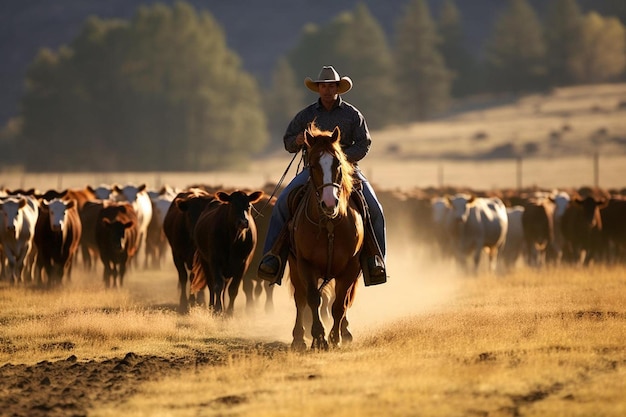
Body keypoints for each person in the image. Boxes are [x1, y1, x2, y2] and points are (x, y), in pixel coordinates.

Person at [257, 65, 387, 286]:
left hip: (347, 170)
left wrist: (340, 160)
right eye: (323, 86)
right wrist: (297, 140)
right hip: (313, 171)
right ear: (318, 88)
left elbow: (364, 144)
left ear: (338, 88)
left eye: (332, 86)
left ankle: (376, 261)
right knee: (281, 205)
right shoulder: (307, 115)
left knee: (375, 209)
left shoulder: (352, 114)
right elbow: (288, 141)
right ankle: (273, 257)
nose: (327, 90)